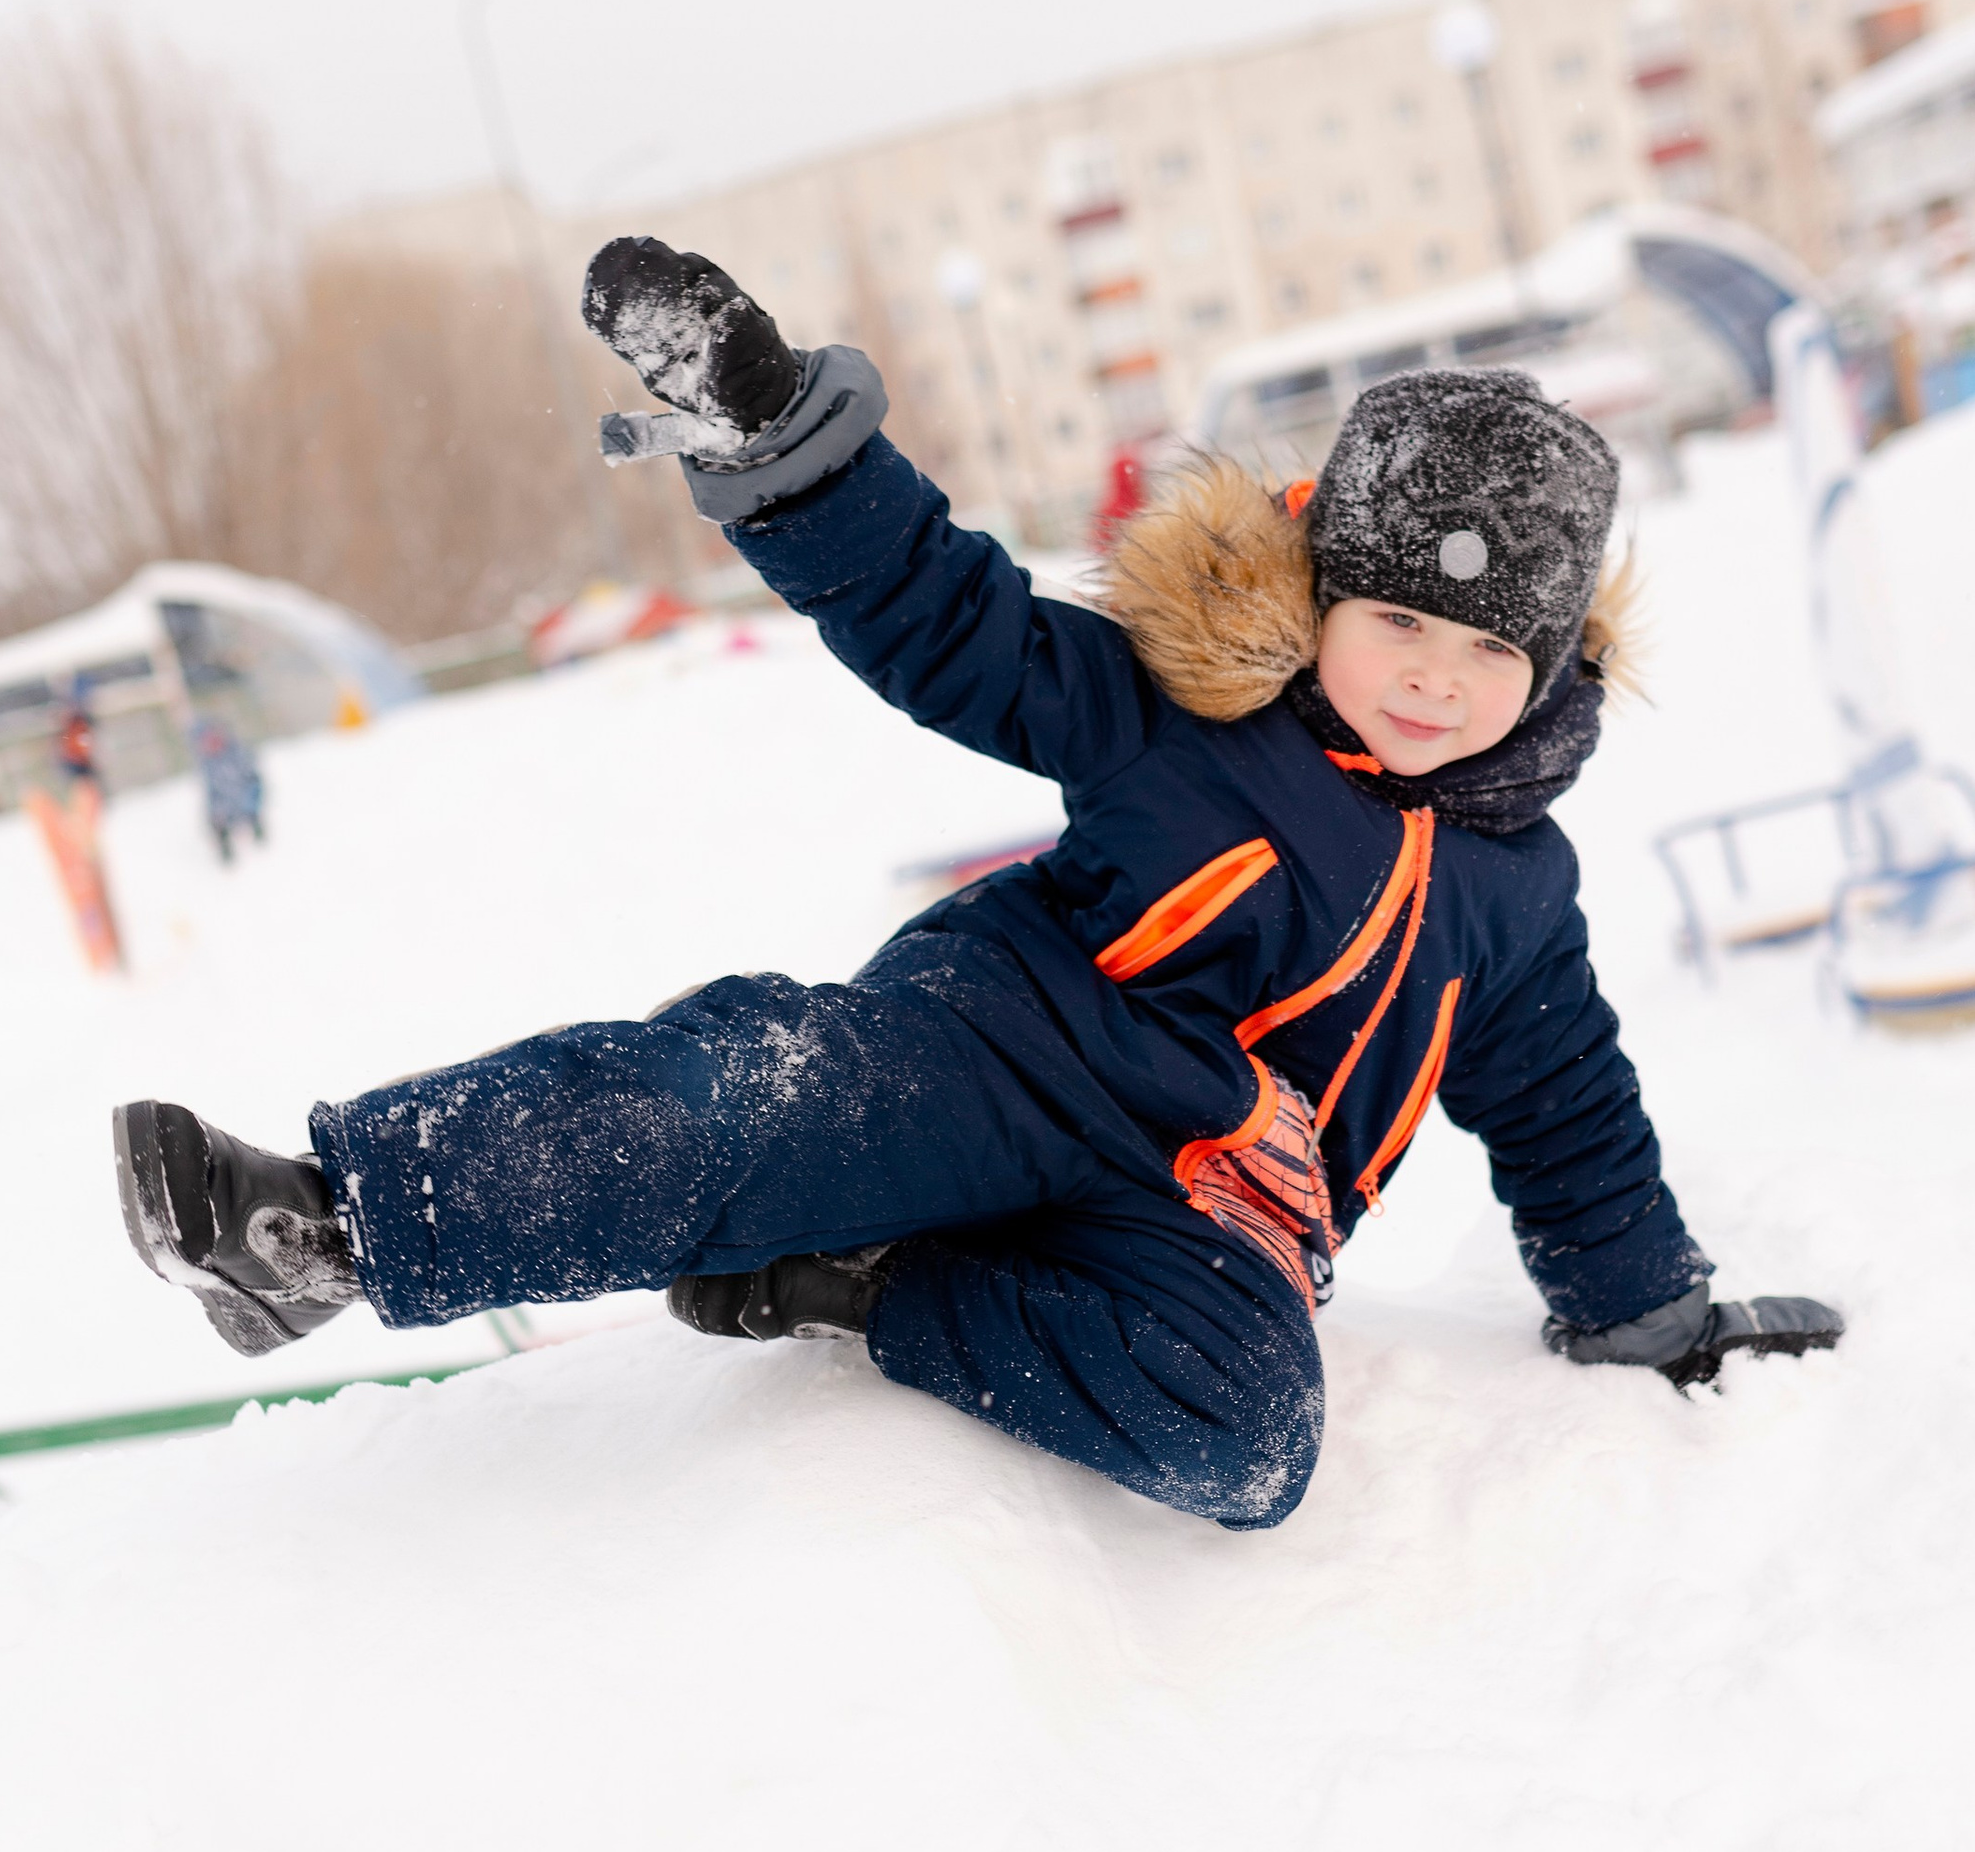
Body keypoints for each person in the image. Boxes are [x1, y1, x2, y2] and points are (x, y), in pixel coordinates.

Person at [112, 241, 1840, 1527]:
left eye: (1487, 649)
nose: (1433, 680)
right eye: (1397, 620)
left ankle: (865, 1282)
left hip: (1226, 1206)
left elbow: (1567, 1114)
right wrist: (789, 443)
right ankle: (330, 1222)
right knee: (743, 1099)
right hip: (1001, 1052)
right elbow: (954, 619)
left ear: (1554, 664)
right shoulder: (1185, 708)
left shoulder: (1516, 897)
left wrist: (1643, 1310)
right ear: (1322, 595)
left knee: (1247, 1440)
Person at [192, 711, 268, 863]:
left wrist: (252, 798)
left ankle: (258, 830)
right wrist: (215, 812)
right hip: (225, 803)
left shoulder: (237, 752)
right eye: (207, 742)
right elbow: (211, 792)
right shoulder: (208, 764)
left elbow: (253, 777)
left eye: (214, 739)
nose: (211, 745)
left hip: (245, 795)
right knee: (217, 820)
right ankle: (226, 849)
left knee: (250, 808)